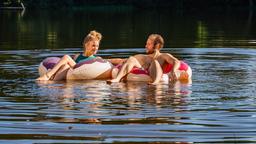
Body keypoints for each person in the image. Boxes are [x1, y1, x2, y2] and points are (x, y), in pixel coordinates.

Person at [36, 30, 124, 81]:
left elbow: (110, 61)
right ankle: (53, 82)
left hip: (81, 72)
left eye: (97, 46)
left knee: (66, 57)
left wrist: (122, 61)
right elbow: (71, 67)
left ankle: (48, 76)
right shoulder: (77, 56)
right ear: (86, 45)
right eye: (93, 45)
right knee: (65, 65)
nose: (96, 48)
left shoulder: (97, 60)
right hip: (72, 73)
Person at [108, 34, 191, 84]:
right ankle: (117, 79)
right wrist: (105, 60)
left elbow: (176, 61)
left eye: (148, 44)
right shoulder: (142, 57)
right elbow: (122, 61)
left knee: (155, 62)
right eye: (146, 44)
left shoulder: (163, 56)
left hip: (158, 74)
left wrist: (173, 71)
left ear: (157, 45)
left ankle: (155, 82)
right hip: (143, 74)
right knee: (131, 58)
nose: (145, 46)